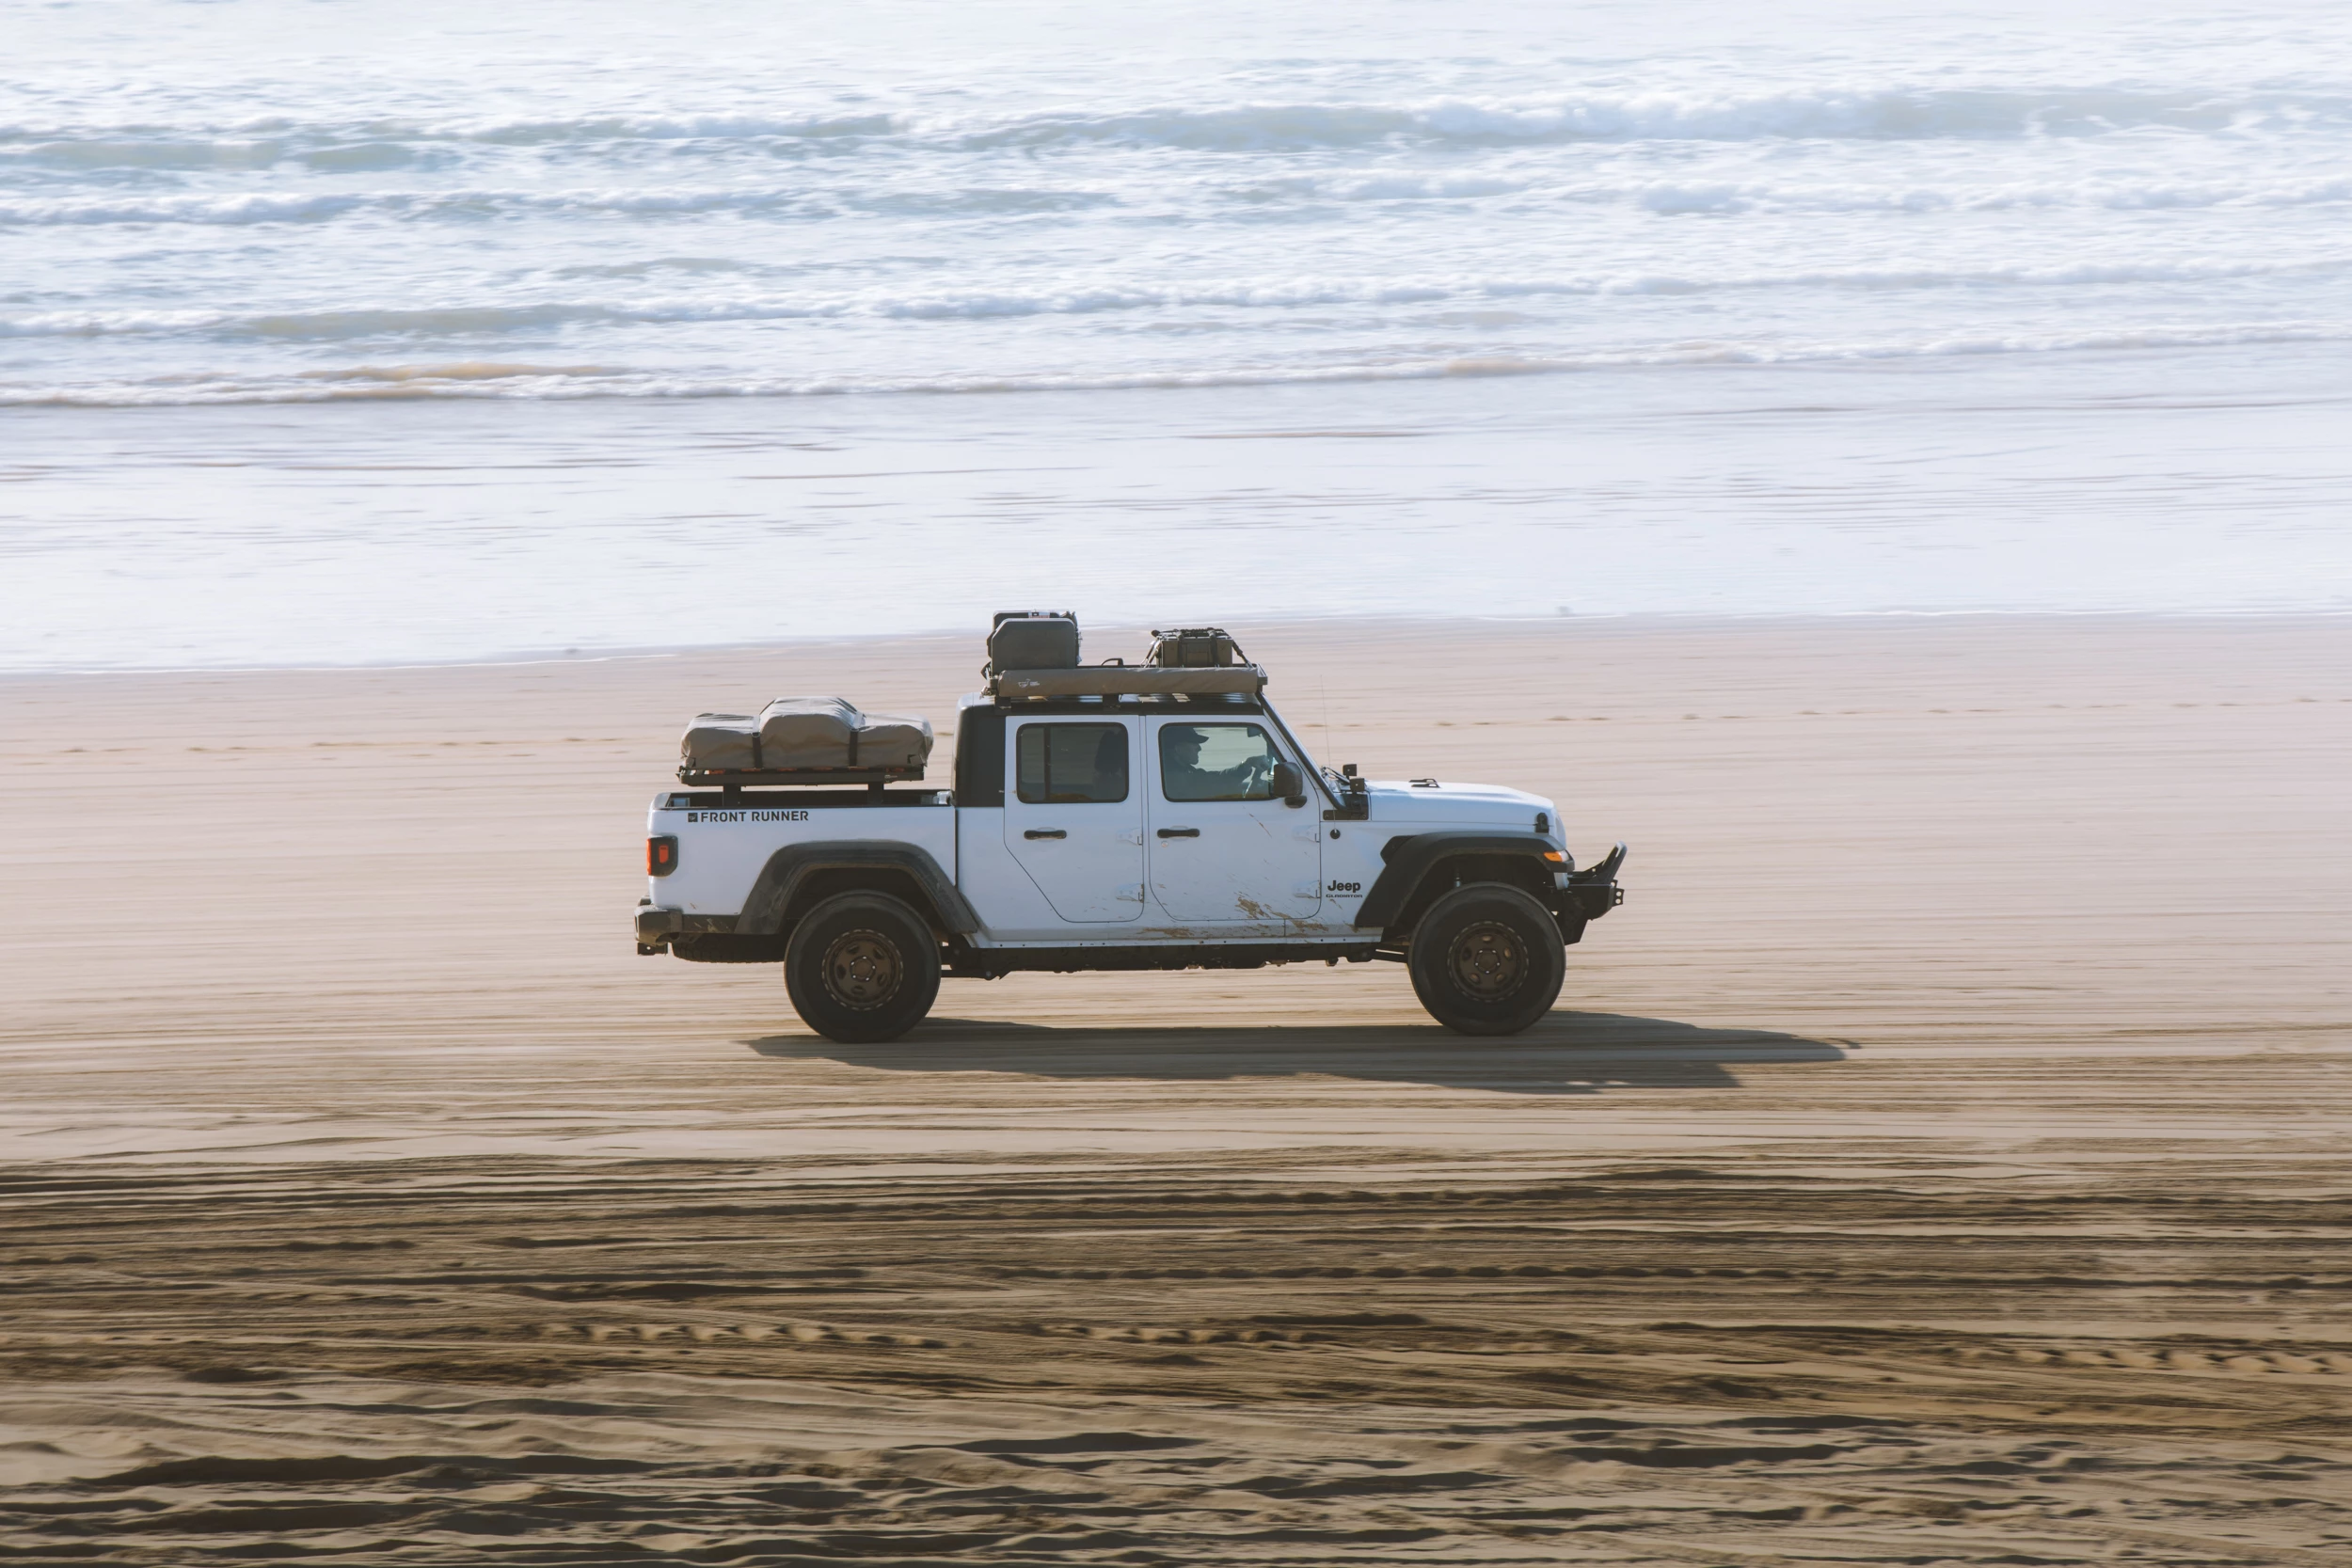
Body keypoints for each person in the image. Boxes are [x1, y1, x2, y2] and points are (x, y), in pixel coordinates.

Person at [1162, 724, 1272, 801]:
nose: (1199, 748)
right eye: (1193, 742)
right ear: (1177, 749)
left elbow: (1210, 779)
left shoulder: (1182, 770)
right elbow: (1214, 783)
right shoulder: (1173, 776)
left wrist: (1247, 765)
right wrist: (1246, 765)